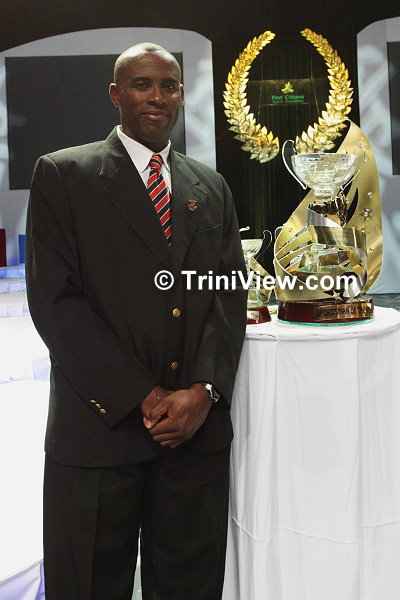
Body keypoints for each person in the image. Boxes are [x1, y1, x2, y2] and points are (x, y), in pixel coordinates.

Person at [26, 42, 246, 600]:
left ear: (181, 95)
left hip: (193, 438)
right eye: (142, 84)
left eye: (168, 86)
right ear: (115, 94)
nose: (157, 97)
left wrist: (204, 391)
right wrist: (143, 396)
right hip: (99, 434)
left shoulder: (211, 187)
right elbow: (56, 304)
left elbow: (227, 297)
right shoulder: (63, 175)